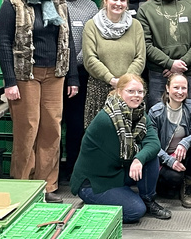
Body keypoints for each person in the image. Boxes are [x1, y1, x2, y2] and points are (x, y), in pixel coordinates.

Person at [0, 0, 79, 203]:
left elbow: (68, 40)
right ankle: (23, 187)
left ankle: (46, 186)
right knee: (28, 129)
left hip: (55, 73)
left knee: (51, 129)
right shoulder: (13, 0)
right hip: (25, 75)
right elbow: (3, 42)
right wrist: (10, 82)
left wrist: (72, 77)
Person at [71, 74, 171, 223]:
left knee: (150, 157)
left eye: (140, 92)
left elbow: (154, 143)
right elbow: (121, 155)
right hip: (94, 182)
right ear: (119, 91)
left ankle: (148, 200)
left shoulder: (139, 113)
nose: (136, 95)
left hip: (116, 172)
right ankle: (93, 205)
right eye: (131, 91)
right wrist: (139, 155)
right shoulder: (106, 120)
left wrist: (139, 159)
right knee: (136, 211)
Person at [82, 0, 146, 128]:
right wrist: (111, 79)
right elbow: (90, 58)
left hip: (130, 90)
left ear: (127, 4)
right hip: (100, 89)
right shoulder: (91, 25)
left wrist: (125, 82)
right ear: (105, 0)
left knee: (129, 131)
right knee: (101, 133)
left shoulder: (136, 26)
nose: (118, 3)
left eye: (122, 0)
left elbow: (140, 57)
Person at [59, 0, 98, 181]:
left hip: (81, 74)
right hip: (54, 74)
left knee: (76, 125)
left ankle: (73, 171)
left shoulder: (90, 7)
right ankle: (53, 170)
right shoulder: (51, 1)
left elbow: (92, 42)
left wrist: (74, 64)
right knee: (54, 125)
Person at [148, 73, 191, 208]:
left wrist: (184, 143)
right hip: (162, 157)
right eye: (176, 87)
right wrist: (170, 161)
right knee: (174, 179)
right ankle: (165, 184)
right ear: (167, 88)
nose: (180, 92)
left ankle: (187, 187)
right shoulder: (155, 112)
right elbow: (152, 145)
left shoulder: (190, 106)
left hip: (181, 154)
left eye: (183, 88)